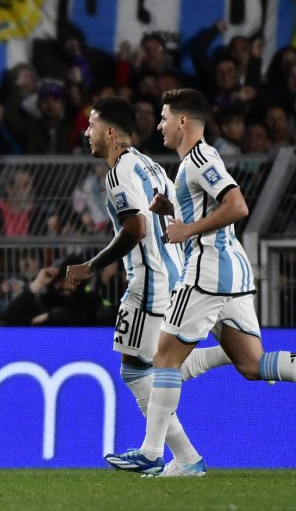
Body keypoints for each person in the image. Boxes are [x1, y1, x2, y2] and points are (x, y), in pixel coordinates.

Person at [105, 89, 296, 476]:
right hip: (231, 271)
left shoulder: (199, 158)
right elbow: (211, 204)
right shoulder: (190, 165)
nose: (158, 125)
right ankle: (174, 458)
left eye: (163, 118)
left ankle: (154, 452)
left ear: (182, 122)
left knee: (163, 359)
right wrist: (171, 209)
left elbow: (236, 204)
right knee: (253, 364)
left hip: (209, 270)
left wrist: (187, 228)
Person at [63, 97, 207, 476]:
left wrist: (90, 267)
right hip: (174, 276)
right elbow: (177, 213)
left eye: (91, 126)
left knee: (137, 370)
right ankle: (186, 459)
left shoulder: (117, 173)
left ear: (110, 133)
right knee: (158, 364)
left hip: (150, 283)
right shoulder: (151, 166)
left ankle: (175, 456)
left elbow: (136, 227)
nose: (86, 133)